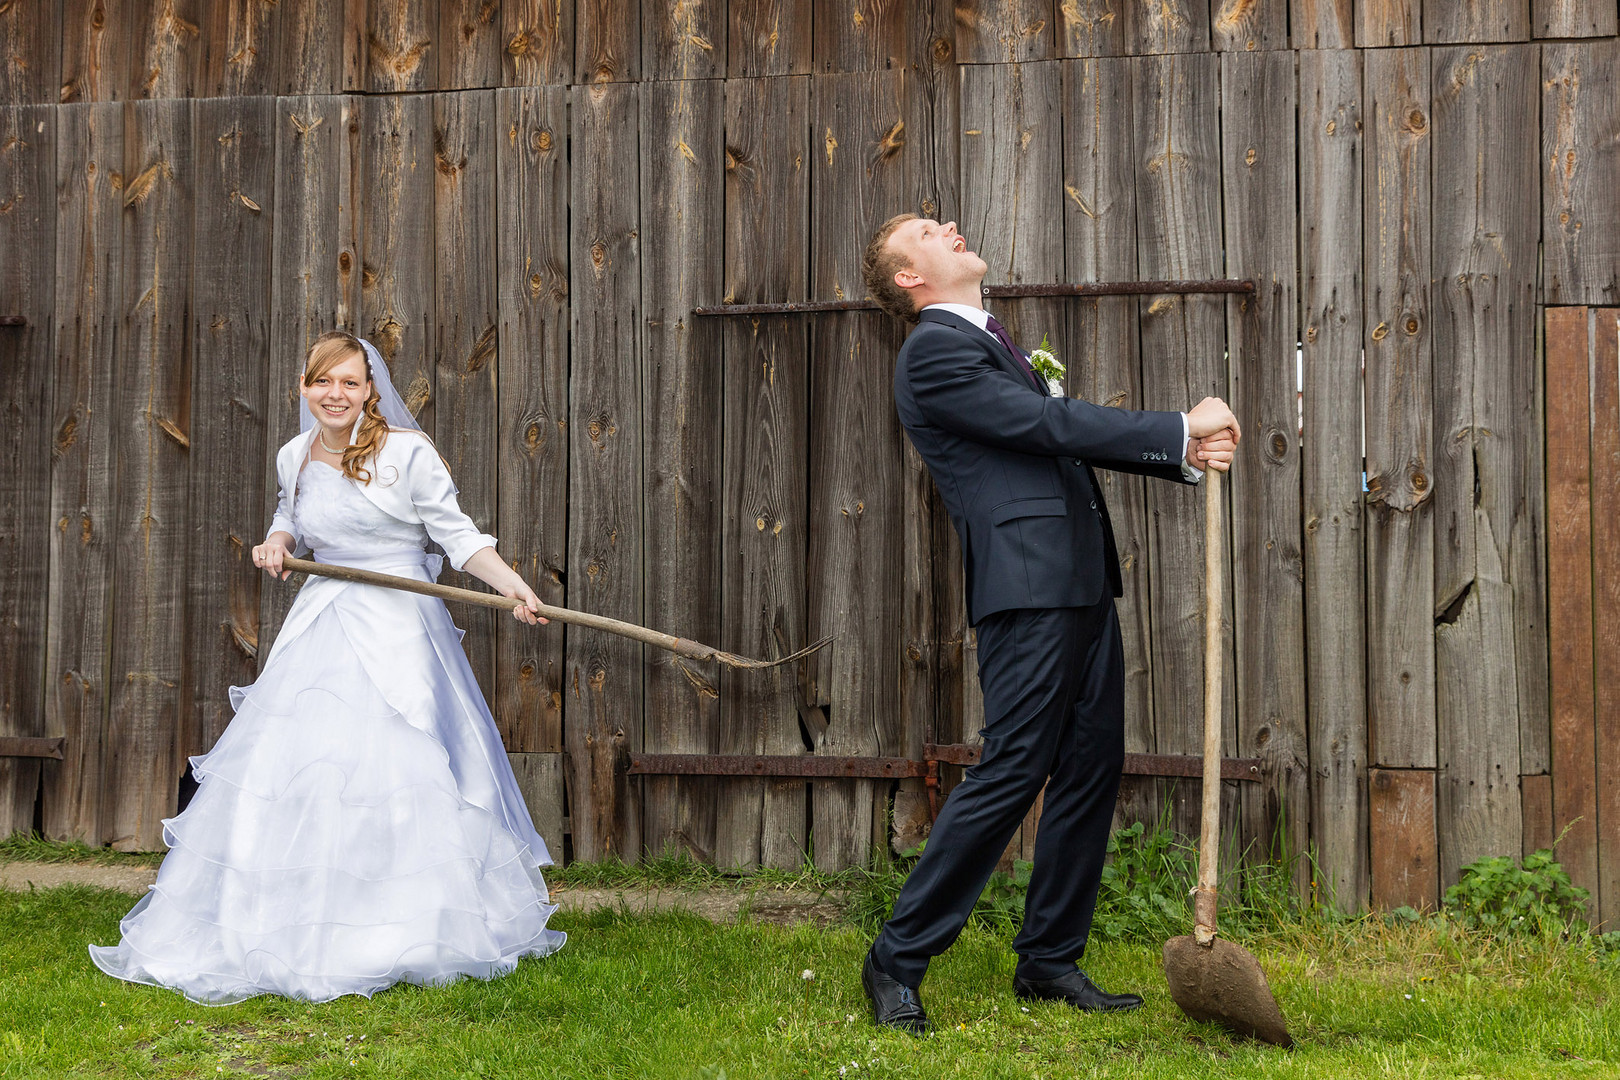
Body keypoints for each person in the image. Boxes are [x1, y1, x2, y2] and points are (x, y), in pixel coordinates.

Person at [90, 331, 566, 1004]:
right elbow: (291, 518)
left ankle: (408, 927)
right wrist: (277, 543)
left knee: (396, 764)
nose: (336, 395)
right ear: (305, 388)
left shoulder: (407, 454)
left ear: (371, 389)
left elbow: (457, 538)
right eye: (323, 382)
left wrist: (513, 586)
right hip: (321, 622)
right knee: (301, 764)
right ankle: (280, 922)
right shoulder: (295, 455)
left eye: (350, 382)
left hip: (399, 625)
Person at [857, 215, 1240, 1032]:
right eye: (927, 230)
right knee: (1014, 769)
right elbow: (1046, 426)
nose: (949, 227)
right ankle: (896, 958)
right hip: (1027, 590)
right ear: (908, 280)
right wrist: (1178, 425)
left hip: (1081, 583)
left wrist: (1178, 456)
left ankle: (1050, 961)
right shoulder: (932, 353)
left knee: (1092, 769)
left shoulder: (989, 342)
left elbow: (1054, 443)